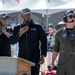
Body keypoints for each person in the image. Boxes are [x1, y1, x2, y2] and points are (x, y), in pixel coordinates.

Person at [10, 8, 47, 75]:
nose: (28, 16)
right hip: (22, 58)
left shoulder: (37, 26)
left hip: (35, 57)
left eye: (29, 14)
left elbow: (44, 41)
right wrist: (21, 33)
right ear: (22, 16)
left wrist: (42, 55)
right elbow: (12, 41)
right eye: (26, 14)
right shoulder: (17, 27)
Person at [51, 10, 75, 75]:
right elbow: (55, 49)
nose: (73, 18)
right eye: (70, 16)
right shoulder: (59, 33)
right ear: (65, 18)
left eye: (74, 16)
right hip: (62, 64)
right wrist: (52, 63)